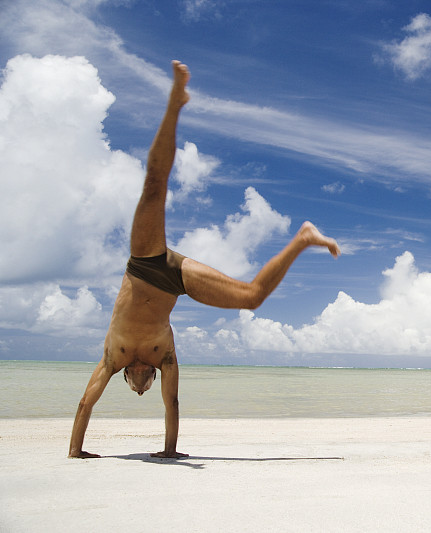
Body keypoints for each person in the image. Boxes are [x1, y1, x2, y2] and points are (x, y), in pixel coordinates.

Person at [68, 61, 341, 459]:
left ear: (128, 377)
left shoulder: (112, 356)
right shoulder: (167, 357)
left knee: (153, 187)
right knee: (251, 297)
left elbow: (85, 403)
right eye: (145, 388)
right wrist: (171, 452)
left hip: (144, 265)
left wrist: (75, 451)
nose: (144, 388)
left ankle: (176, 102)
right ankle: (303, 238)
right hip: (176, 279)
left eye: (138, 387)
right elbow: (172, 405)